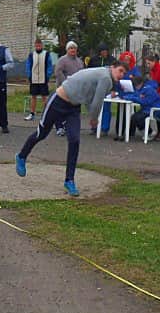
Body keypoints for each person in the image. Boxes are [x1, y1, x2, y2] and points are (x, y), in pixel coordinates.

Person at [15, 61, 127, 197]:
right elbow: (97, 102)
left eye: (124, 73)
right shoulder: (105, 78)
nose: (121, 75)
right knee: (41, 133)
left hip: (73, 108)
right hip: (58, 101)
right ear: (112, 67)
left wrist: (92, 114)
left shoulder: (104, 75)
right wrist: (93, 118)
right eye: (120, 71)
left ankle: (69, 180)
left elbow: (89, 97)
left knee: (74, 141)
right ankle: (21, 156)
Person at [119, 75, 160, 140]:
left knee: (136, 118)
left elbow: (145, 102)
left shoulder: (149, 89)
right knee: (134, 117)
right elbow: (135, 95)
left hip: (154, 110)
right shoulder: (141, 89)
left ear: (141, 83)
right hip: (147, 109)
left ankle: (149, 133)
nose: (136, 88)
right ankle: (129, 135)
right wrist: (125, 97)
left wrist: (134, 98)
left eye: (136, 86)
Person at [89, 43, 117, 134]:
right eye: (103, 52)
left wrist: (113, 89)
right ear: (99, 52)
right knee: (95, 107)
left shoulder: (112, 61)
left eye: (106, 51)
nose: (105, 53)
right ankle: (94, 127)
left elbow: (115, 76)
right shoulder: (93, 60)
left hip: (107, 88)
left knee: (106, 108)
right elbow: (88, 72)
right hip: (95, 87)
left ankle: (105, 128)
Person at [113, 51, 140, 140]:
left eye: (128, 59)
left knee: (131, 112)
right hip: (121, 93)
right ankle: (119, 131)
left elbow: (139, 80)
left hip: (132, 94)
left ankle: (131, 131)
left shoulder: (134, 69)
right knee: (120, 112)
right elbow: (115, 80)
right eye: (125, 59)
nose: (126, 61)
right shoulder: (119, 68)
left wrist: (133, 78)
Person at [24, 38, 53, 121]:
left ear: (42, 46)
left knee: (44, 97)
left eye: (39, 45)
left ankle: (47, 114)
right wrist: (29, 75)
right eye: (36, 46)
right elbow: (28, 66)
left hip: (43, 79)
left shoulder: (46, 54)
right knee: (33, 96)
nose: (38, 47)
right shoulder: (31, 55)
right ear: (34, 46)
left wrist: (48, 76)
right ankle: (32, 113)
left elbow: (50, 66)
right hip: (33, 79)